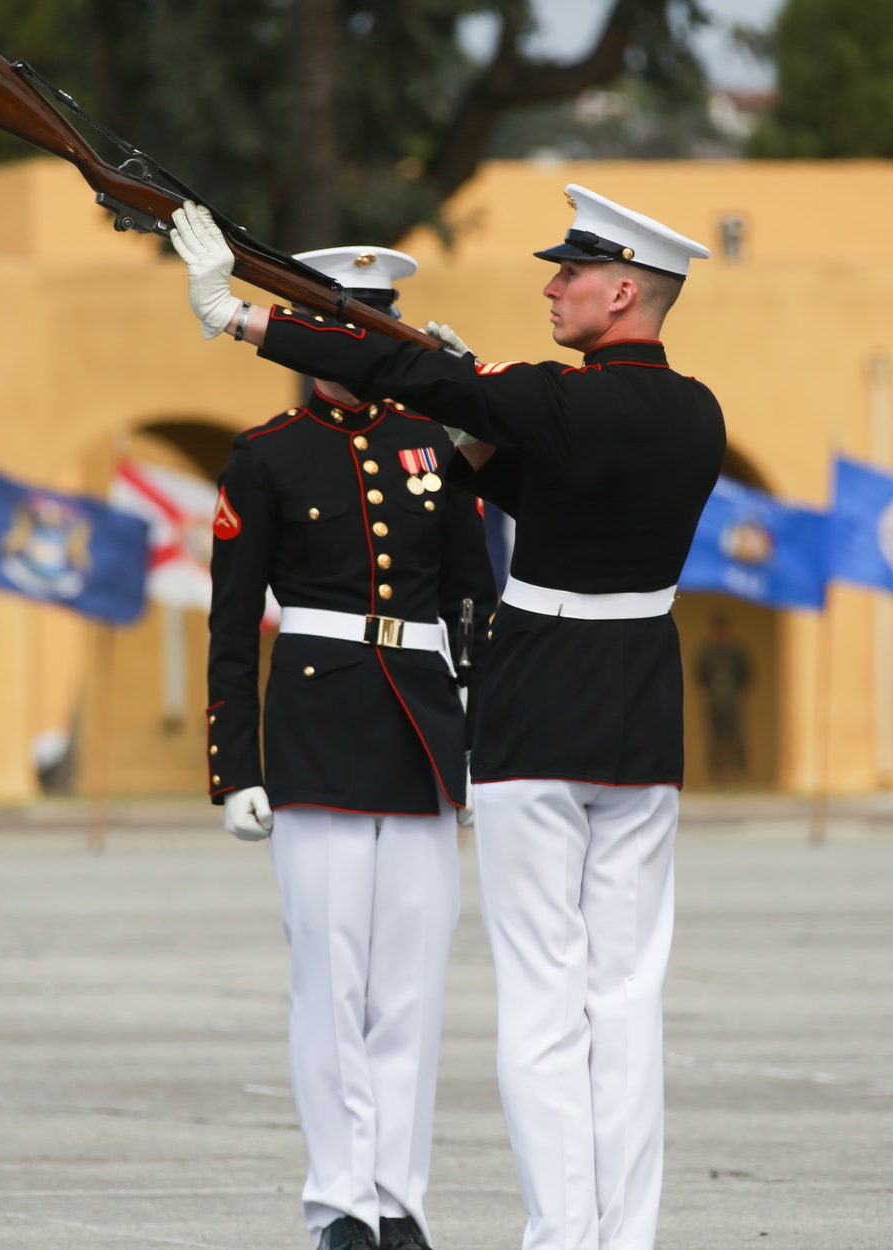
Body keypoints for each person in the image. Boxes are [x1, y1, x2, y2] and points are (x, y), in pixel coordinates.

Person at [170, 185, 726, 1250]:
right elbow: (541, 477)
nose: (552, 285)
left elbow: (416, 375)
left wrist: (242, 315)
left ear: (622, 290)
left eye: (570, 273)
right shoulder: (695, 411)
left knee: (541, 1003)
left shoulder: (551, 399)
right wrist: (477, 418)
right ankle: (624, 1235)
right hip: (646, 722)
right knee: (628, 998)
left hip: (534, 722)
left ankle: (561, 1233)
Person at [194, 236, 497, 1250]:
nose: (350, 344)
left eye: (371, 327)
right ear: (309, 334)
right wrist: (234, 766)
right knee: (330, 981)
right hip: (318, 728)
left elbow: (471, 597)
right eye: (338, 325)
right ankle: (340, 1203)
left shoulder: (430, 443)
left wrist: (481, 735)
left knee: (408, 982)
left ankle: (398, 1200)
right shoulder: (267, 453)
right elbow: (232, 628)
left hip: (420, 727)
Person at [696, 611, 751, 778]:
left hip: (732, 700)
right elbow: (700, 675)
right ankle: (717, 774)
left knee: (735, 736)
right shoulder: (707, 652)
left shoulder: (735, 652)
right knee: (714, 737)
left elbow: (746, 674)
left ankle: (739, 774)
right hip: (713, 700)